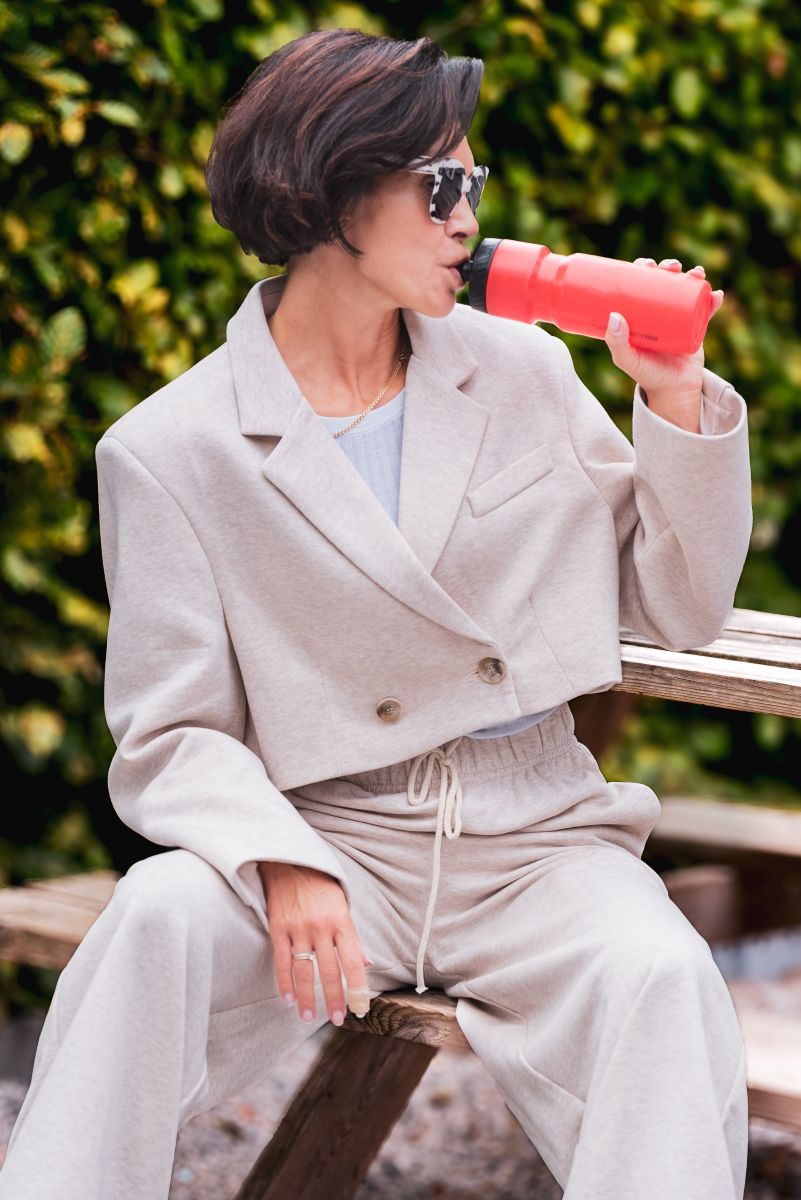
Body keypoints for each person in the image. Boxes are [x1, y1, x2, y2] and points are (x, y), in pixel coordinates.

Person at [0, 27, 752, 1200]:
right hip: (332, 833)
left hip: (535, 842)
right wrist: (280, 857)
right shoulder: (171, 449)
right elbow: (172, 730)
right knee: (153, 920)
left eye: (475, 184)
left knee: (662, 976)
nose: (470, 219)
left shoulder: (526, 371)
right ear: (330, 191)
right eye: (441, 186)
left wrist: (675, 399)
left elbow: (683, 601)